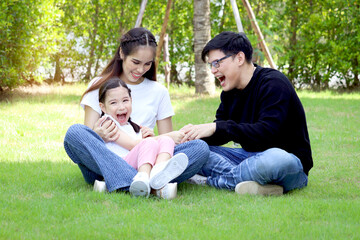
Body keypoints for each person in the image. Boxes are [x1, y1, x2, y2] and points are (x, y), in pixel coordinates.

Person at [64, 27, 209, 199]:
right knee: (75, 133)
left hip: (148, 158)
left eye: (147, 64)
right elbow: (88, 140)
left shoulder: (158, 91)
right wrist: (98, 134)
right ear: (122, 54)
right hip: (106, 163)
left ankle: (135, 182)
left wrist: (152, 139)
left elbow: (166, 142)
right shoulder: (99, 85)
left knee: (200, 148)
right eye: (136, 62)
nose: (141, 69)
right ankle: (151, 185)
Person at [181, 31, 313, 196]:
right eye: (211, 65)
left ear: (239, 58)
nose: (213, 71)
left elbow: (266, 134)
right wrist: (192, 136)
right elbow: (222, 134)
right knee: (193, 149)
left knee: (275, 159)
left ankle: (211, 181)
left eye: (216, 63)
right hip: (247, 158)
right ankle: (253, 183)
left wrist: (217, 127)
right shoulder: (229, 91)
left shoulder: (274, 84)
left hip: (287, 164)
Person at [96, 77, 189, 198]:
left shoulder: (131, 126)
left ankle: (158, 172)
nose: (121, 107)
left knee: (165, 141)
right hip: (120, 166)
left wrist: (150, 138)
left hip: (136, 163)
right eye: (114, 103)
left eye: (125, 100)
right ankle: (144, 178)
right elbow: (132, 145)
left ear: (131, 100)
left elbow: (141, 146)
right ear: (102, 107)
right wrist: (151, 140)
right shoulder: (107, 123)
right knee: (153, 141)